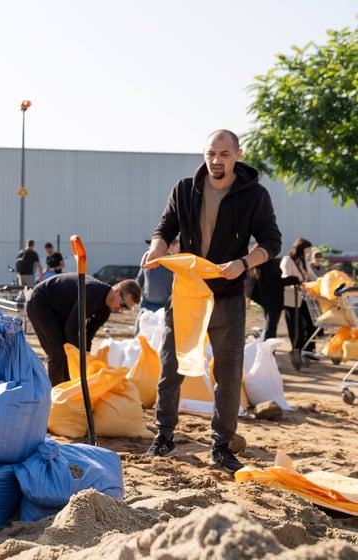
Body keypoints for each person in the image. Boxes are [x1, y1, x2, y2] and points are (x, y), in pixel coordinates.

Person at [141, 129, 282, 474]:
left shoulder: (255, 195)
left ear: (237, 154)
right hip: (187, 292)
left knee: (228, 373)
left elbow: (271, 240)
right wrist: (158, 248)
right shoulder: (184, 189)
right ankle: (164, 436)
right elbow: (165, 227)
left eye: (224, 154)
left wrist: (244, 263)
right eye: (211, 153)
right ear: (204, 154)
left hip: (229, 295)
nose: (216, 160)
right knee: (171, 367)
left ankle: (221, 445)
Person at [26, 274, 141, 387]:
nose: (121, 309)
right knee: (58, 353)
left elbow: (88, 336)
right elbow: (71, 329)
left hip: (59, 311)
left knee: (69, 353)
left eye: (126, 309)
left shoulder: (105, 311)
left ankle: (69, 391)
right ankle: (55, 397)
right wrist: (80, 356)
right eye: (123, 304)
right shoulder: (93, 292)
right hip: (40, 301)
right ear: (116, 290)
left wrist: (85, 357)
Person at [280, 238, 317, 355]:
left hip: (304, 297)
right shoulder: (287, 260)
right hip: (291, 298)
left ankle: (308, 348)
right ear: (301, 248)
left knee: (311, 323)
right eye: (307, 249)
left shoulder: (304, 261)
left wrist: (320, 283)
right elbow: (285, 278)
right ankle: (296, 349)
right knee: (295, 325)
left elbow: (311, 276)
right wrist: (297, 285)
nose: (308, 252)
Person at [249, 258, 292, 340]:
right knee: (271, 325)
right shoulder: (269, 264)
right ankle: (268, 346)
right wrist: (290, 280)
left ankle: (268, 345)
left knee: (271, 324)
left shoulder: (261, 262)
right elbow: (273, 281)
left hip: (265, 297)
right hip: (273, 298)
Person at [136, 238, 180, 312]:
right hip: (146, 304)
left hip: (165, 305)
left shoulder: (172, 262)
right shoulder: (147, 260)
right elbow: (139, 281)